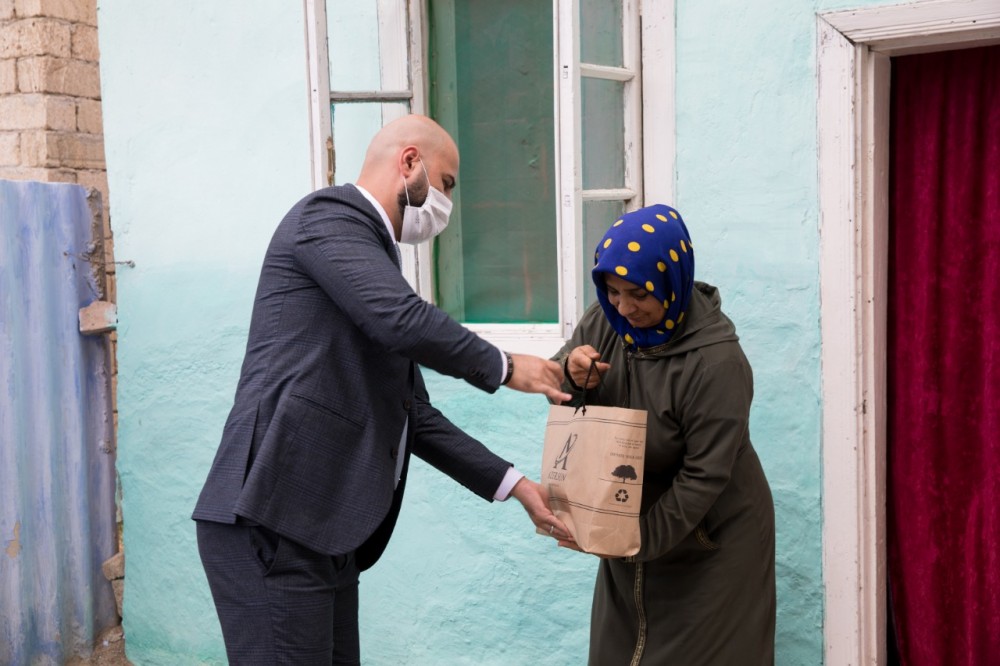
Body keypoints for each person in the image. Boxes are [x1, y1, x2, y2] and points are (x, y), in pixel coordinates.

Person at [192, 114, 571, 664]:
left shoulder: (370, 263)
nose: (446, 204)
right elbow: (400, 319)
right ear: (410, 162)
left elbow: (413, 414)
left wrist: (515, 485)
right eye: (446, 184)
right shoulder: (328, 218)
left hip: (323, 530)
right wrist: (506, 366)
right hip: (270, 517)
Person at [554, 204, 776, 665]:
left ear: (670, 283)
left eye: (637, 293)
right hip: (629, 521)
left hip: (711, 540)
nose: (624, 307)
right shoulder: (608, 322)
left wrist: (634, 539)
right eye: (612, 291)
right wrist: (571, 374)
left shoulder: (717, 365)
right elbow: (560, 383)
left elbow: (703, 478)